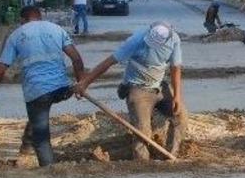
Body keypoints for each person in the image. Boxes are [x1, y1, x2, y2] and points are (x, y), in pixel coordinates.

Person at [0, 6, 85, 166]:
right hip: (62, 89)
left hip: (37, 93)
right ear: (40, 16)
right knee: (38, 116)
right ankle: (25, 150)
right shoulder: (56, 29)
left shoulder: (17, 35)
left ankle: (49, 170)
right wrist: (81, 84)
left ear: (22, 20)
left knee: (41, 137)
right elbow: (77, 59)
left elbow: (0, 69)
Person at [75, 22, 187, 159]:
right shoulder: (136, 40)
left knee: (180, 116)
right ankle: (141, 163)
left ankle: (172, 155)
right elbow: (108, 62)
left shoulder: (174, 39)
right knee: (142, 131)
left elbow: (176, 68)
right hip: (138, 87)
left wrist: (177, 96)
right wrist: (85, 83)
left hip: (159, 85)